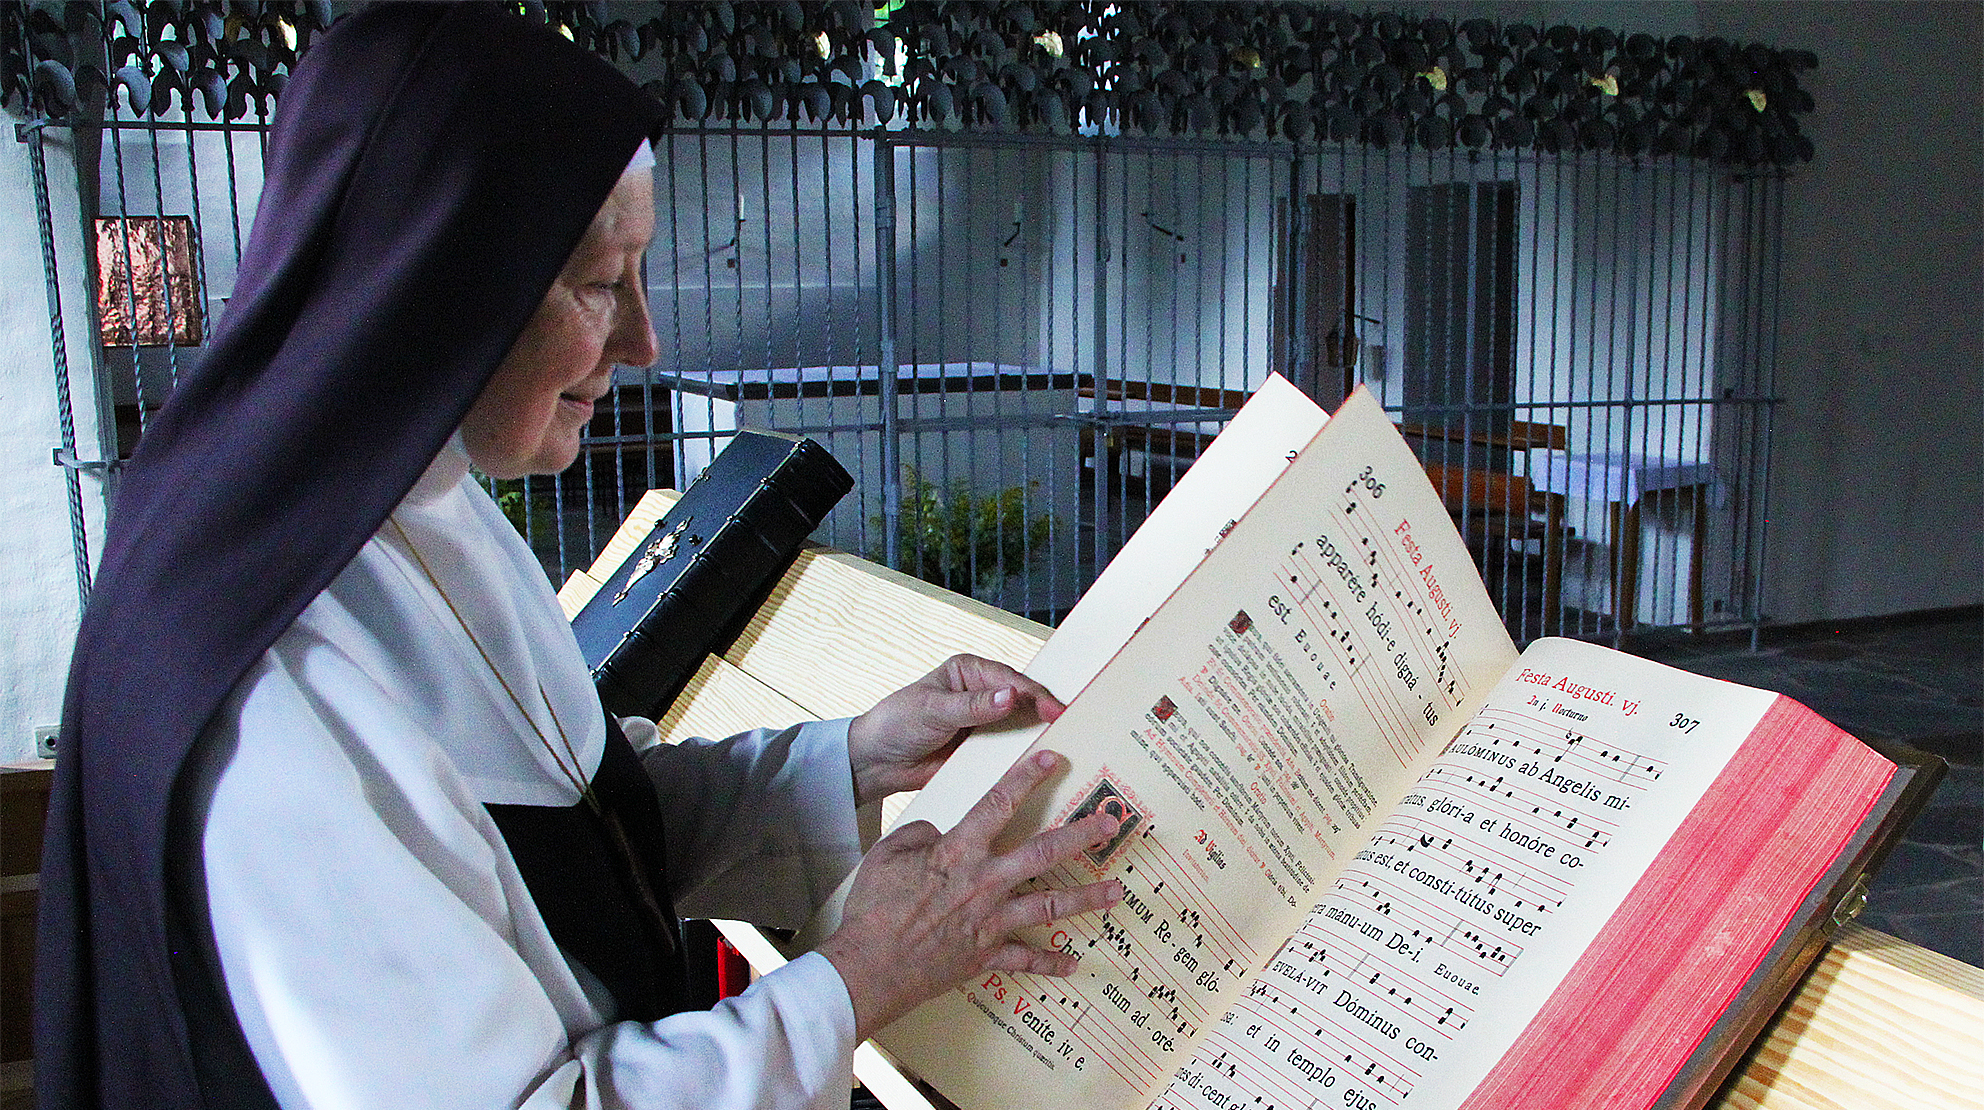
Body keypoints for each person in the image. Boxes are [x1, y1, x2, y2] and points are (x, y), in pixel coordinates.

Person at [34, 7, 1121, 1109]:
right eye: (601, 286)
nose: (645, 342)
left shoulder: (417, 496)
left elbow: (569, 831)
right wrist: (859, 980)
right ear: (437, 286)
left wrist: (856, 757)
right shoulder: (272, 689)